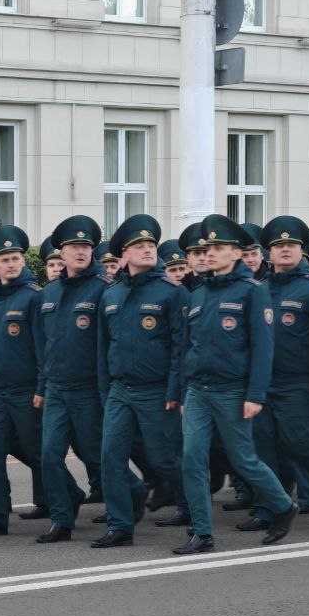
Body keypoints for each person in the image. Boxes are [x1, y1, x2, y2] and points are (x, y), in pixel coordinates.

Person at [175, 214, 298, 554]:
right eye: (208, 247)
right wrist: (184, 387)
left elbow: (263, 347)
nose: (210, 253)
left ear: (236, 253)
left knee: (244, 459)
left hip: (233, 390)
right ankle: (202, 533)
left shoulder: (252, 292)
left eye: (218, 247)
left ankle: (283, 506)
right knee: (192, 458)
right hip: (199, 390)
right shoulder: (198, 293)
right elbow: (189, 345)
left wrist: (256, 394)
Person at [93, 216, 189, 547]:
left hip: (157, 390)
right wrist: (106, 390)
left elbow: (180, 347)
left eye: (150, 245)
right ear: (123, 256)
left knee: (164, 458)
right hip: (120, 390)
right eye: (139, 246)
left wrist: (176, 390)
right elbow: (103, 347)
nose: (148, 249)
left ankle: (192, 505)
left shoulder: (172, 293)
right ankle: (121, 525)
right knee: (110, 458)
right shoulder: (111, 295)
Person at [244, 217, 309, 529]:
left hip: (299, 381)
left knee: (297, 440)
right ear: (268, 253)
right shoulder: (258, 289)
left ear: (302, 251)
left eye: (291, 245)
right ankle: (268, 508)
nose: (285, 250)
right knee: (262, 446)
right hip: (262, 381)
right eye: (278, 245)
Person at [35, 215, 115, 543]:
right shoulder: (50, 292)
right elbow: (45, 344)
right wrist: (42, 385)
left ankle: (134, 491)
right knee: (49, 454)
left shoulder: (103, 290)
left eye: (85, 246)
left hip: (88, 389)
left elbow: (110, 343)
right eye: (73, 247)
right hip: (56, 388)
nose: (80, 252)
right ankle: (62, 520)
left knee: (97, 455)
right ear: (61, 253)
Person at [0, 225, 46, 538]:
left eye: (16, 258)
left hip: (27, 389)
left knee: (36, 450)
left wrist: (42, 388)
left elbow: (44, 348)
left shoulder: (33, 298)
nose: (12, 263)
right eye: (5, 259)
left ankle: (67, 493)